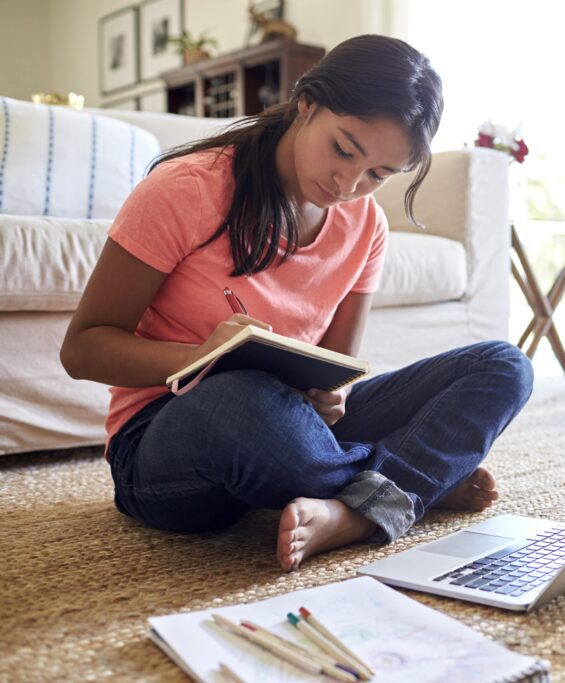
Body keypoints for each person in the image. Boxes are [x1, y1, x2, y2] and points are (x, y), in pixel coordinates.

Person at [60, 34, 534, 571]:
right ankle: (405, 485)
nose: (349, 183)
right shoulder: (187, 189)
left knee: (504, 366)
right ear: (305, 104)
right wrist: (197, 357)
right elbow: (82, 349)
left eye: (378, 175)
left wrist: (330, 398)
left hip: (295, 430)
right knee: (239, 397)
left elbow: (334, 381)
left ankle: (357, 506)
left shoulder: (365, 225)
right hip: (167, 442)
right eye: (344, 148)